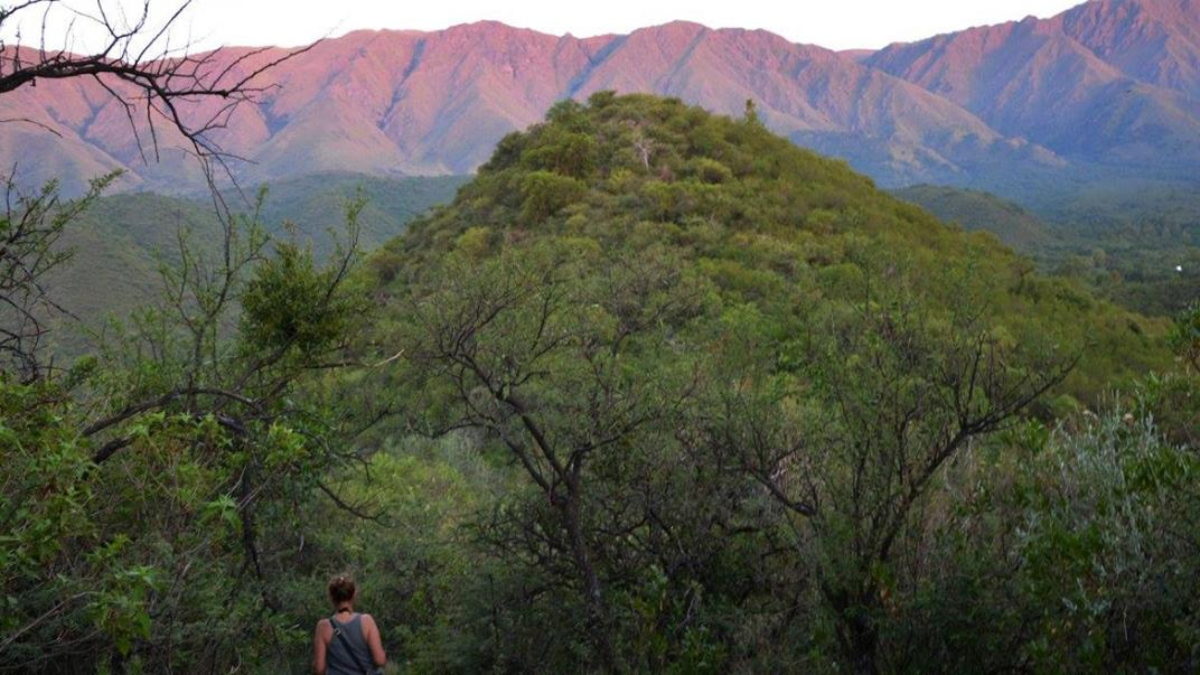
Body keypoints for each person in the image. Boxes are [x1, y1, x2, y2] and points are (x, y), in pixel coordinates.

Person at [312, 573, 387, 675]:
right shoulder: (366, 621)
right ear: (354, 595)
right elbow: (380, 660)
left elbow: (319, 669)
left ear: (331, 597)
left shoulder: (323, 627)